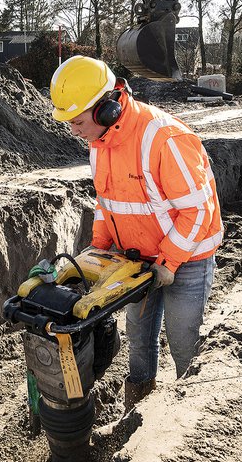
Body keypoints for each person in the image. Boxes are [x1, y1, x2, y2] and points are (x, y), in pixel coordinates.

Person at [50, 55, 223, 410]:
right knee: (140, 339)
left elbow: (197, 209)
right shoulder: (100, 143)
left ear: (106, 111)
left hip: (187, 258)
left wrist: (169, 262)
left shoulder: (165, 138)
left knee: (183, 339)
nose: (74, 131)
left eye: (78, 121)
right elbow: (107, 202)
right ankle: (138, 411)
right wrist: (97, 250)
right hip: (137, 259)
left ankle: (185, 416)